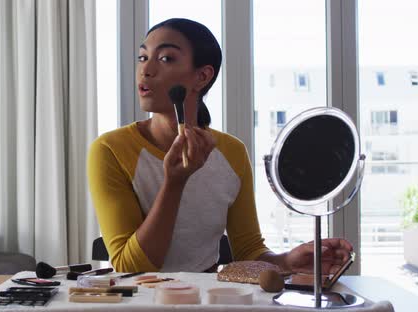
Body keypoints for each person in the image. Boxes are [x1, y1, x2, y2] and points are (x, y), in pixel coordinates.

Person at [88, 18, 353, 273]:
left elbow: (249, 251)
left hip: (207, 299)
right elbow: (130, 266)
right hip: (137, 301)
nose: (146, 69)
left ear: (202, 76)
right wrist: (174, 182)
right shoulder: (110, 149)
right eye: (143, 57)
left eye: (166, 58)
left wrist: (288, 261)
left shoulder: (232, 152)